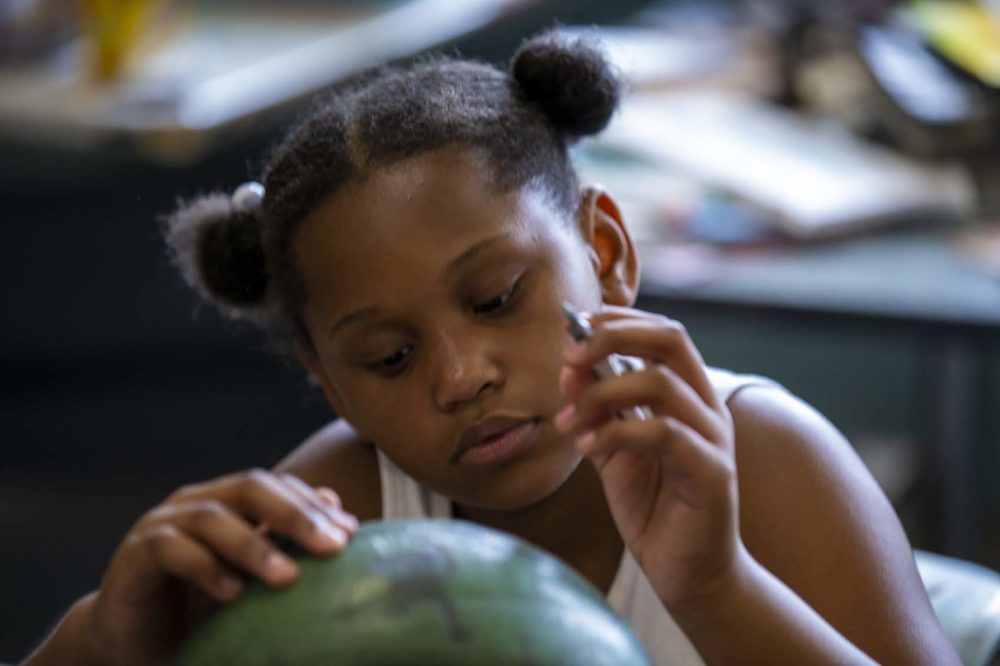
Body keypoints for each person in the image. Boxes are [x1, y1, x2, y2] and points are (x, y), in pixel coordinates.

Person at [25, 31, 959, 665]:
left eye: (498, 297)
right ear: (331, 387)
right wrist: (108, 638)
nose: (461, 376)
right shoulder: (345, 518)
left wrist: (715, 586)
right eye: (389, 357)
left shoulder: (767, 461)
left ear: (606, 252)